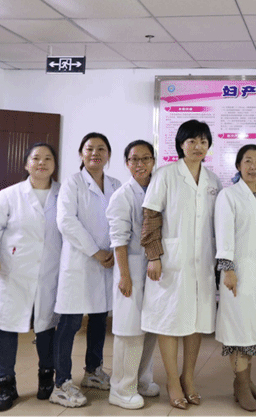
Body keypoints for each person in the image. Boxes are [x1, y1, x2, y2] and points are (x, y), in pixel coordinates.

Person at [140, 119, 223, 410]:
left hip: (202, 263)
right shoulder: (165, 175)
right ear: (180, 144)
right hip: (170, 262)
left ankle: (189, 377)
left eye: (203, 141)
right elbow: (151, 216)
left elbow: (218, 224)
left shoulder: (213, 181)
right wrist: (154, 256)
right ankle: (173, 381)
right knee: (170, 320)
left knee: (196, 321)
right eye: (192, 141)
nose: (198, 146)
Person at [0, 143, 62, 412]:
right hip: (13, 273)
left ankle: (46, 378)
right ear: (26, 164)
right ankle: (6, 385)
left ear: (54, 165)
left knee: (46, 328)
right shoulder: (9, 195)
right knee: (7, 327)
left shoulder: (63, 195)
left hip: (49, 273)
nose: (41, 163)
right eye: (36, 158)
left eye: (48, 158)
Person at [53, 132, 121, 408]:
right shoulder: (72, 183)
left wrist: (114, 251)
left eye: (101, 148)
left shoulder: (115, 185)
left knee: (99, 319)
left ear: (108, 155)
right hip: (80, 262)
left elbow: (121, 219)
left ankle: (93, 371)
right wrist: (96, 252)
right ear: (81, 153)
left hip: (107, 262)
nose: (96, 153)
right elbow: (66, 222)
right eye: (90, 148)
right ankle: (61, 383)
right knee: (69, 323)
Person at [214, 144, 256, 412]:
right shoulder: (229, 195)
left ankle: (247, 382)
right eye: (248, 161)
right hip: (238, 274)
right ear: (238, 165)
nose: (253, 166)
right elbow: (224, 234)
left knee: (253, 330)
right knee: (239, 331)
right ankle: (240, 385)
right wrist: (227, 269)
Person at [105, 140, 160, 410]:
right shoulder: (122, 196)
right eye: (134, 159)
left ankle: (141, 380)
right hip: (132, 269)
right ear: (127, 163)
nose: (140, 164)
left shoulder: (156, 188)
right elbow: (119, 241)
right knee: (129, 331)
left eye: (146, 158)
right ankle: (121, 388)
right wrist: (124, 276)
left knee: (149, 329)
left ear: (153, 161)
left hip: (153, 269)